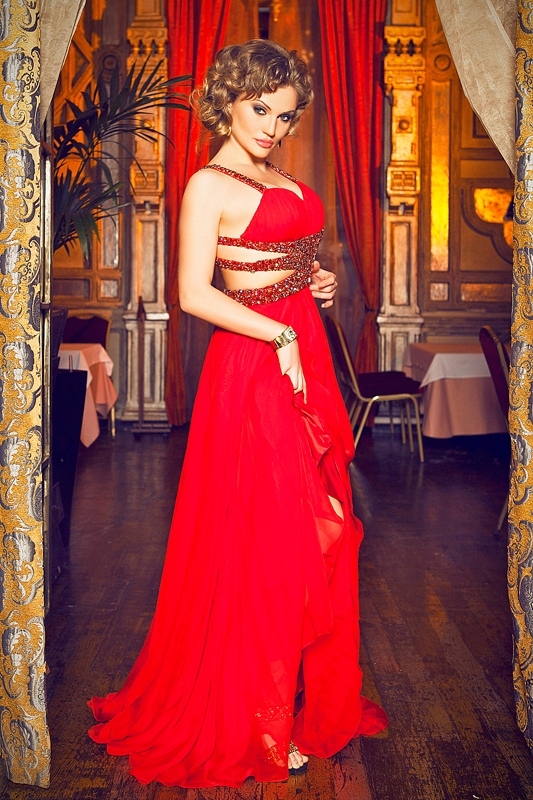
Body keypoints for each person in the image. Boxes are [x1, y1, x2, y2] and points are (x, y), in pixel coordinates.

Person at [88, 39, 388, 788]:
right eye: (261, 110)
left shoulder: (277, 175)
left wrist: (313, 281)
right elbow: (193, 293)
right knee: (271, 539)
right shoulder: (207, 184)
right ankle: (254, 718)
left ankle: (290, 697)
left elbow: (278, 263)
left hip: (300, 355)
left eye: (285, 116)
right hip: (254, 370)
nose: (273, 127)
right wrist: (280, 333)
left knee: (316, 528)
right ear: (227, 100)